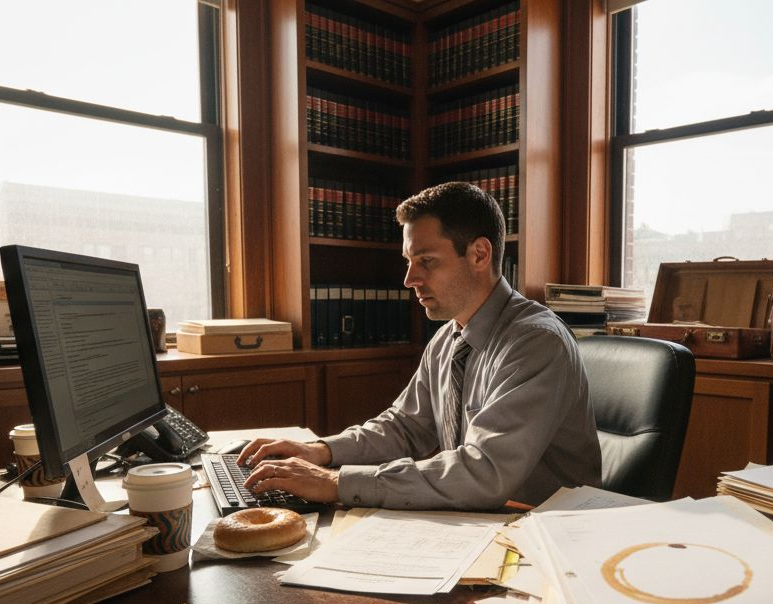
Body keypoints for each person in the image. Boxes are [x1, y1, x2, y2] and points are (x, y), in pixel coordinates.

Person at [238, 181, 601, 510]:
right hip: (482, 521)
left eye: (426, 261)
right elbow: (404, 426)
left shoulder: (536, 342)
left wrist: (336, 482)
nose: (410, 279)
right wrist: (320, 451)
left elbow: (485, 472)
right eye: (409, 262)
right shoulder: (449, 338)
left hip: (544, 534)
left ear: (479, 254)